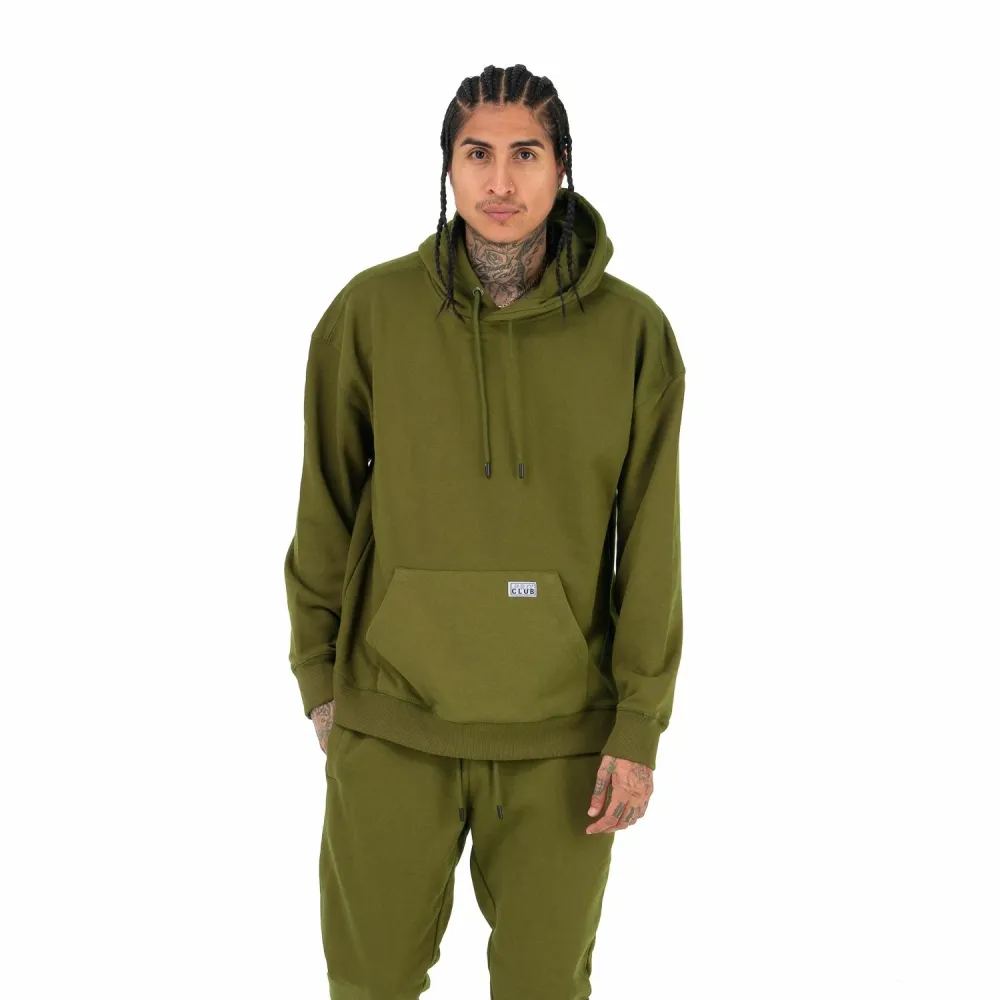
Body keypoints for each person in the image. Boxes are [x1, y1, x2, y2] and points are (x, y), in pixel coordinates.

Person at [283, 62, 687, 1000]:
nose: (500, 181)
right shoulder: (370, 313)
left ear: (562, 165)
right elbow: (324, 505)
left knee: (545, 988)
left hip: (563, 737)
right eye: (477, 154)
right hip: (392, 716)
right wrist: (318, 677)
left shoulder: (634, 334)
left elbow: (653, 543)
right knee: (369, 985)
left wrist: (638, 724)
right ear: (448, 166)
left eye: (525, 154)